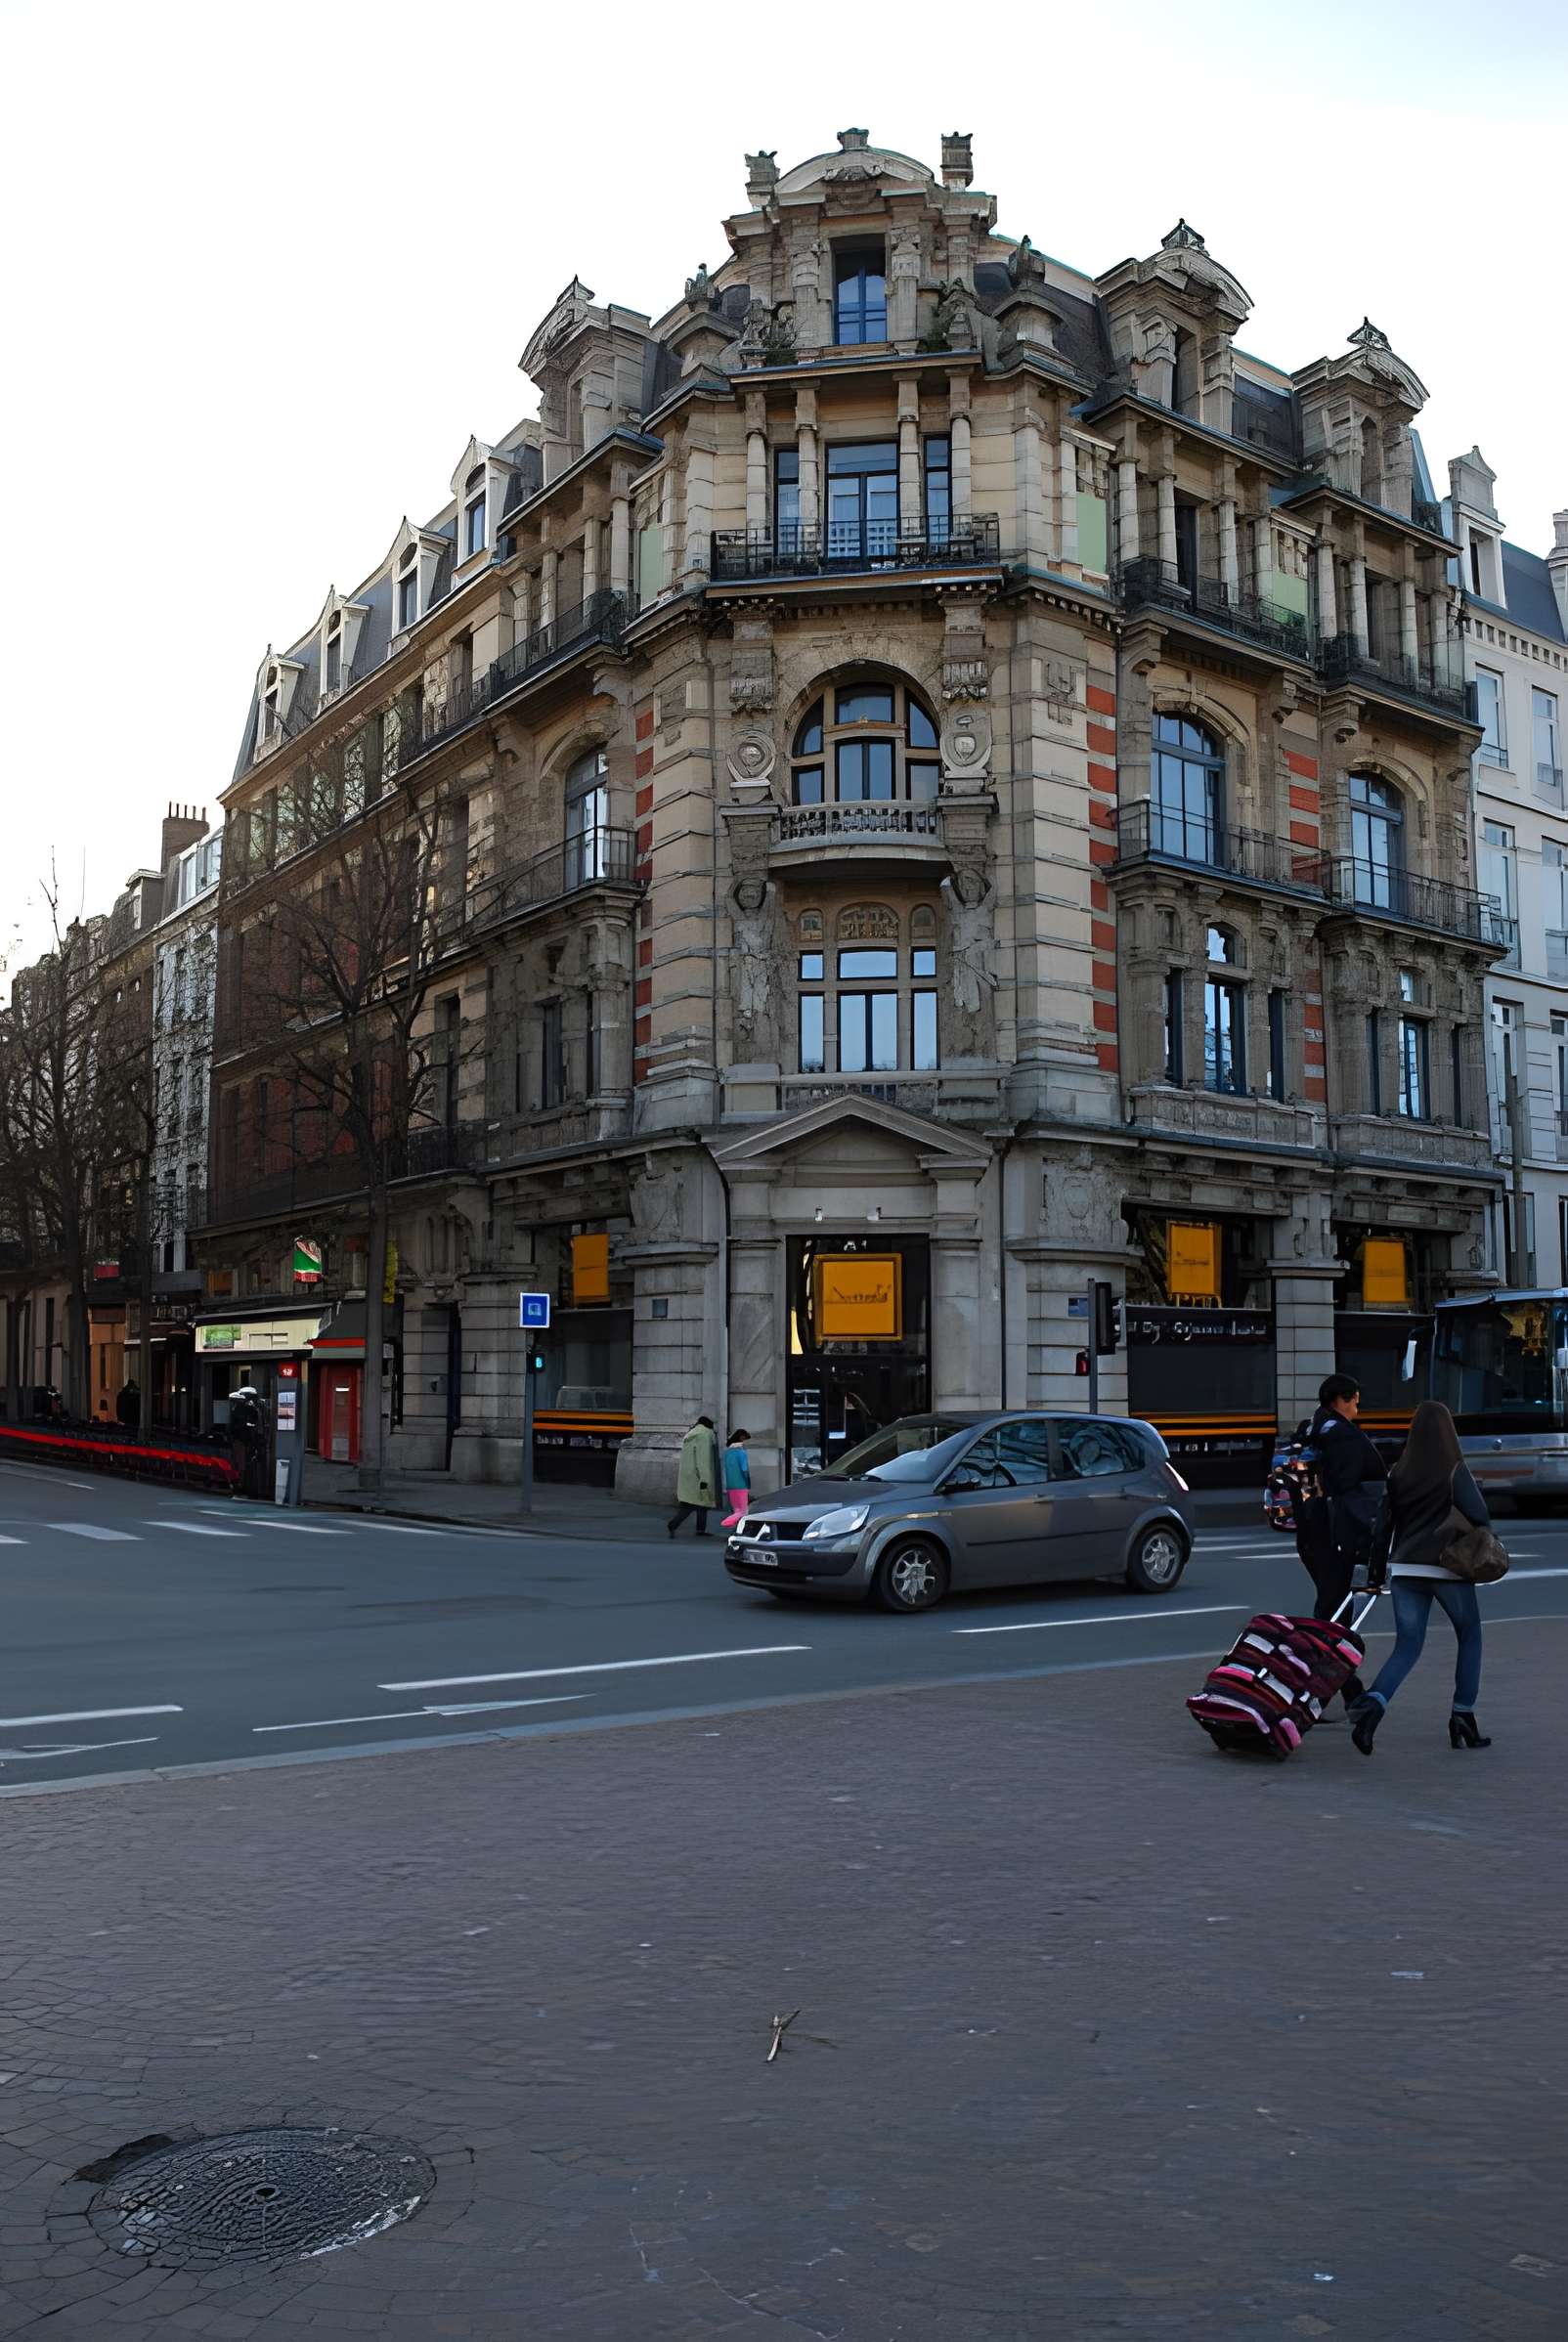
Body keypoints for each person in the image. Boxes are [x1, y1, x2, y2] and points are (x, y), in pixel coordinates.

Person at [1350, 1399, 1491, 1756]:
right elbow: (1480, 1514)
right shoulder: (1454, 1469)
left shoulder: (1398, 1472)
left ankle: (1372, 1707)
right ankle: (1463, 1716)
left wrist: (1376, 1574)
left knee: (1407, 1645)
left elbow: (1382, 1528)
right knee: (1470, 1634)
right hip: (1446, 1568)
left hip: (1405, 1569)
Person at [1294, 1373, 1386, 1708]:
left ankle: (1336, 1690)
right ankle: (1311, 1692)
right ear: (1342, 1400)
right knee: (1334, 1618)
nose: (1358, 1408)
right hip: (1339, 1535)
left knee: (1331, 1612)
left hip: (1314, 1530)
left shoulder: (1312, 1430)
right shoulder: (1343, 1436)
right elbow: (1347, 1489)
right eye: (1355, 1401)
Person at [668, 1413, 720, 1539]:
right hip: (698, 1477)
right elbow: (703, 1460)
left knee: (700, 1505)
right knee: (693, 1505)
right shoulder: (705, 1436)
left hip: (688, 1477)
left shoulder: (693, 1434)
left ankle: (700, 1529)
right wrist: (705, 1480)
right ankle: (673, 1524)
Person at [227, 1379, 268, 1496]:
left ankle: (246, 1486)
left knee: (246, 1463)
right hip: (243, 1440)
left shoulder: (255, 1408)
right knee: (242, 1464)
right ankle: (241, 1485)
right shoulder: (242, 1409)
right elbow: (236, 1426)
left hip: (250, 1440)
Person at [720, 1429, 752, 1529]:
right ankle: (726, 1522)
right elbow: (744, 1469)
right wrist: (748, 1482)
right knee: (743, 1511)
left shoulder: (727, 1453)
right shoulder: (741, 1453)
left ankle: (736, 1529)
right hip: (741, 1484)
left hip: (730, 1485)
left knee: (736, 1510)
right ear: (741, 1439)